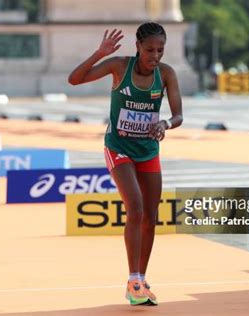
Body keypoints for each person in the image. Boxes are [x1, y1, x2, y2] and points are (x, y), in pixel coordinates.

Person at [68, 22, 183, 306]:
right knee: (136, 207)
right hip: (119, 148)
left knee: (150, 217)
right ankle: (133, 279)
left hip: (148, 150)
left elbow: (179, 115)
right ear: (138, 47)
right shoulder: (120, 66)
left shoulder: (166, 74)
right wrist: (99, 53)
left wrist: (165, 124)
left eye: (160, 50)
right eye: (149, 50)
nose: (154, 55)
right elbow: (74, 79)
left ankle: (140, 280)